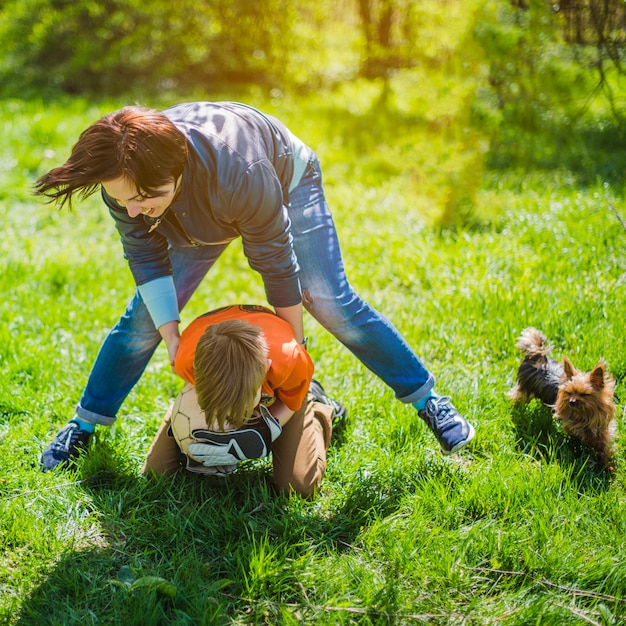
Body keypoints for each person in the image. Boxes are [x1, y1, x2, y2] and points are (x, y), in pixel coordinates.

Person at [34, 101, 475, 472]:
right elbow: (145, 256)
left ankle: (428, 400)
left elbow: (275, 261)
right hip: (193, 209)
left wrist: (294, 351)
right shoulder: (128, 181)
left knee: (328, 300)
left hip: (283, 181)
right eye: (122, 200)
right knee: (145, 318)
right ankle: (86, 423)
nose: (131, 211)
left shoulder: (240, 170)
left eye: (139, 199)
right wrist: (170, 336)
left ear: (177, 167)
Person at [142, 305, 344, 497]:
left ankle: (318, 406)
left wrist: (263, 431)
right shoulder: (185, 358)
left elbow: (292, 405)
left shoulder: (290, 360)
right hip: (217, 371)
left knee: (298, 487)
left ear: (266, 367)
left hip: (281, 396)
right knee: (156, 471)